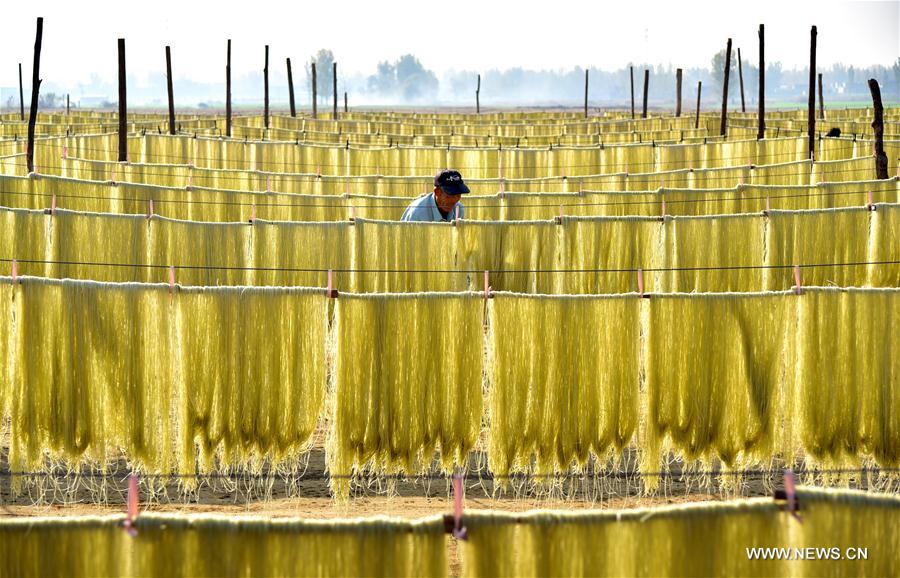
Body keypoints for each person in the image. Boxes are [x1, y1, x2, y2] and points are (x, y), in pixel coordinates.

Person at [401, 169, 470, 222]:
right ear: (437, 192)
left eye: (457, 196)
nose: (453, 201)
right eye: (449, 196)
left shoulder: (459, 209)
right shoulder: (417, 213)